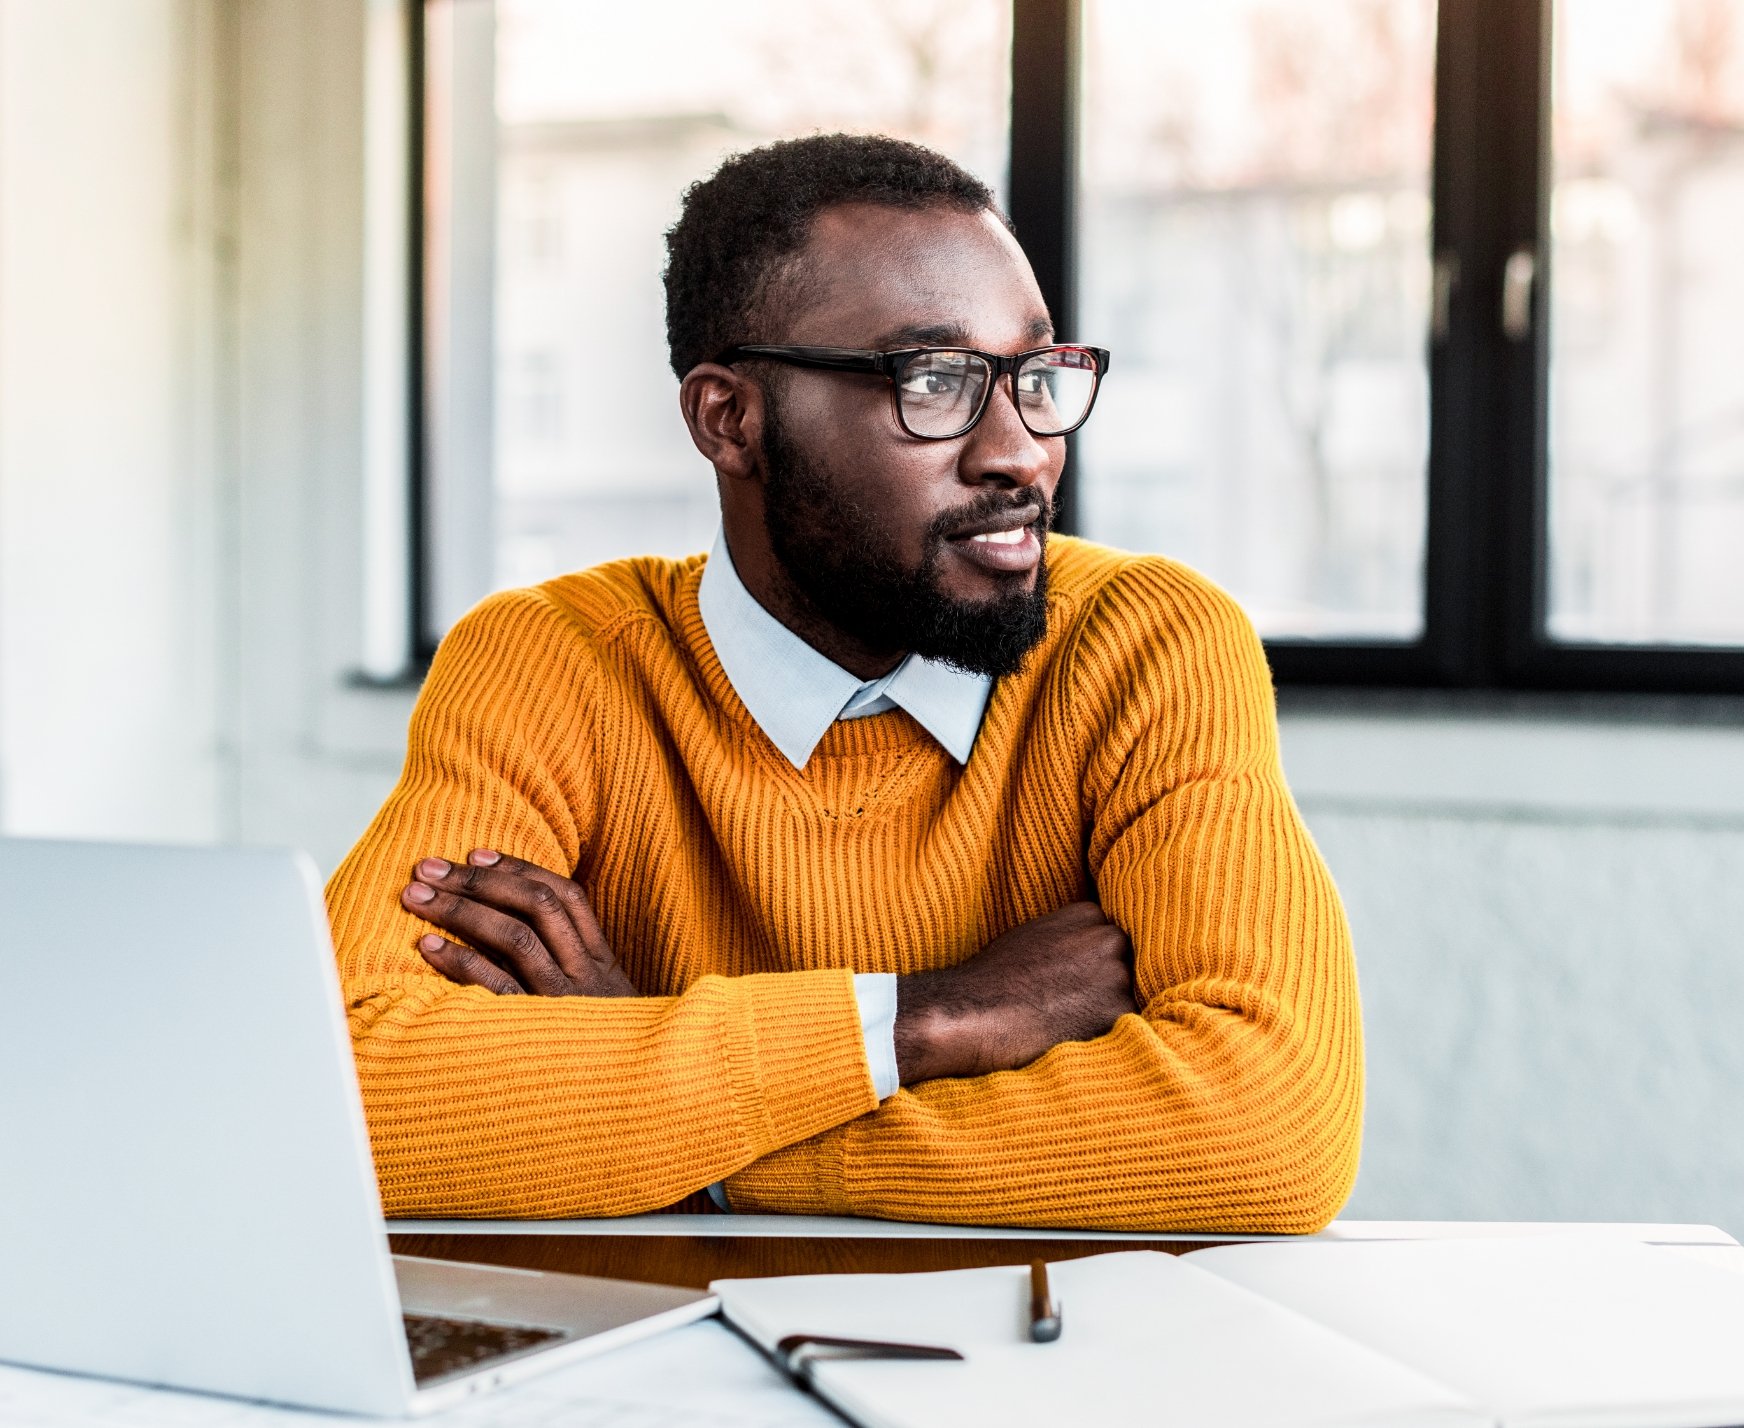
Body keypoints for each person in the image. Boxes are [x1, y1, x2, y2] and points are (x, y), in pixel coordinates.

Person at [325, 133, 1362, 1230]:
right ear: (730, 419)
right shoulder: (554, 661)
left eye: (1036, 376)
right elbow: (335, 1084)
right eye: (936, 380)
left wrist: (679, 1137)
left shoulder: (1147, 646)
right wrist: (929, 1020)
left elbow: (1268, 1128)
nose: (1021, 452)